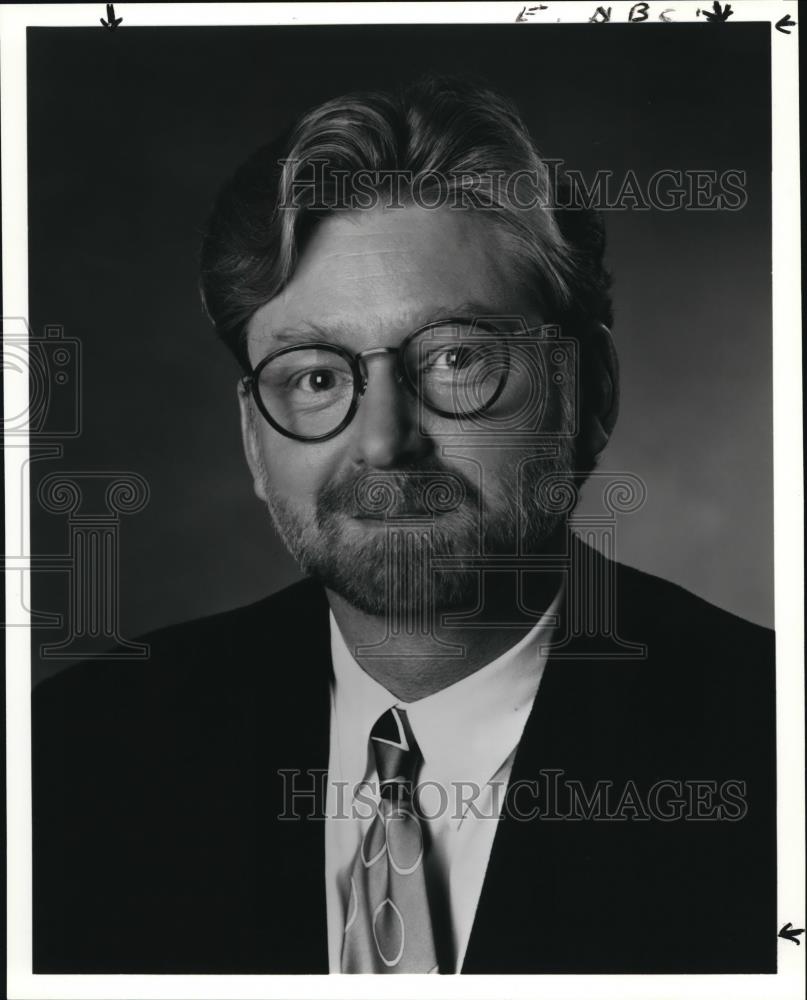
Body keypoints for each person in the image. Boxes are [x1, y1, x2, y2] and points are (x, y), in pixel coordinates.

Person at [32, 75, 776, 975]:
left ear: (591, 393)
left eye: (457, 357)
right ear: (252, 440)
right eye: (314, 377)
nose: (384, 443)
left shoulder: (777, 751)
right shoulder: (81, 753)